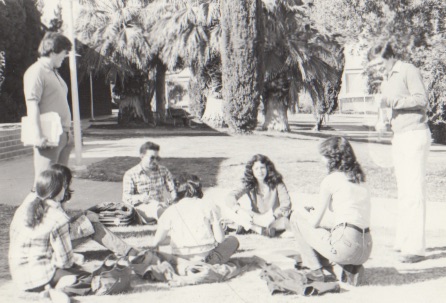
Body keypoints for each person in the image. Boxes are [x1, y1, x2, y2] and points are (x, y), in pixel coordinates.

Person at [9, 167, 139, 301]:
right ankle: (56, 291)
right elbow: (64, 261)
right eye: (65, 185)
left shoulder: (27, 206)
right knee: (92, 278)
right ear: (58, 188)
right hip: (41, 275)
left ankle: (130, 253)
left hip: (20, 276)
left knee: (88, 221)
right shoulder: (56, 215)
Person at [368, 41, 431, 263]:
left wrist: (391, 101)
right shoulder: (388, 77)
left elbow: (422, 99)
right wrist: (383, 121)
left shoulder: (408, 70)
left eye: (379, 63)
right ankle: (404, 240)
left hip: (415, 134)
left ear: (390, 56)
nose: (377, 68)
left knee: (413, 192)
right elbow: (389, 105)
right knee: (404, 191)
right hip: (400, 135)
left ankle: (415, 248)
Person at [290, 137, 372, 283]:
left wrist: (303, 211)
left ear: (332, 158)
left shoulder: (331, 180)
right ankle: (351, 269)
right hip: (366, 247)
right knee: (328, 228)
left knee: (296, 218)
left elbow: (314, 223)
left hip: (346, 244)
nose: (322, 160)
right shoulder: (360, 179)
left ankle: (315, 270)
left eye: (324, 156)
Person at [149, 173, 239, 265]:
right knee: (232, 240)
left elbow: (156, 241)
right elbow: (220, 239)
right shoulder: (209, 205)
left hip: (180, 259)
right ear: (198, 188)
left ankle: (185, 266)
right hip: (206, 257)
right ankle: (208, 265)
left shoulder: (170, 210)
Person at [24, 32, 74, 188]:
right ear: (52, 52)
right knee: (44, 184)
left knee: (60, 184)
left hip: (63, 134)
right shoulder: (37, 71)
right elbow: (32, 103)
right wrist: (38, 135)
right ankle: (33, 213)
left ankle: (57, 212)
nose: (65, 57)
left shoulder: (54, 72)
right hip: (49, 137)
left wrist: (68, 134)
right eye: (64, 53)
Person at [225, 154, 292, 237]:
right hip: (256, 218)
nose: (260, 171)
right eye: (256, 168)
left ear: (267, 168)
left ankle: (245, 227)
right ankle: (260, 230)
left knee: (287, 220)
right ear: (252, 171)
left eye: (262, 168)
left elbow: (286, 204)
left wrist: (274, 216)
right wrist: (238, 209)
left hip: (274, 218)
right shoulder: (249, 184)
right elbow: (230, 196)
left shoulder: (277, 183)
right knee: (230, 211)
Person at [122, 141, 177, 223]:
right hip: (141, 209)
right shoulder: (130, 174)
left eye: (157, 158)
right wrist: (141, 198)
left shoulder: (163, 170)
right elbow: (126, 197)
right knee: (155, 207)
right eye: (152, 158)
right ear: (142, 156)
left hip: (160, 205)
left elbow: (172, 189)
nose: (155, 161)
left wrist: (173, 199)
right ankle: (170, 219)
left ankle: (168, 217)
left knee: (169, 208)